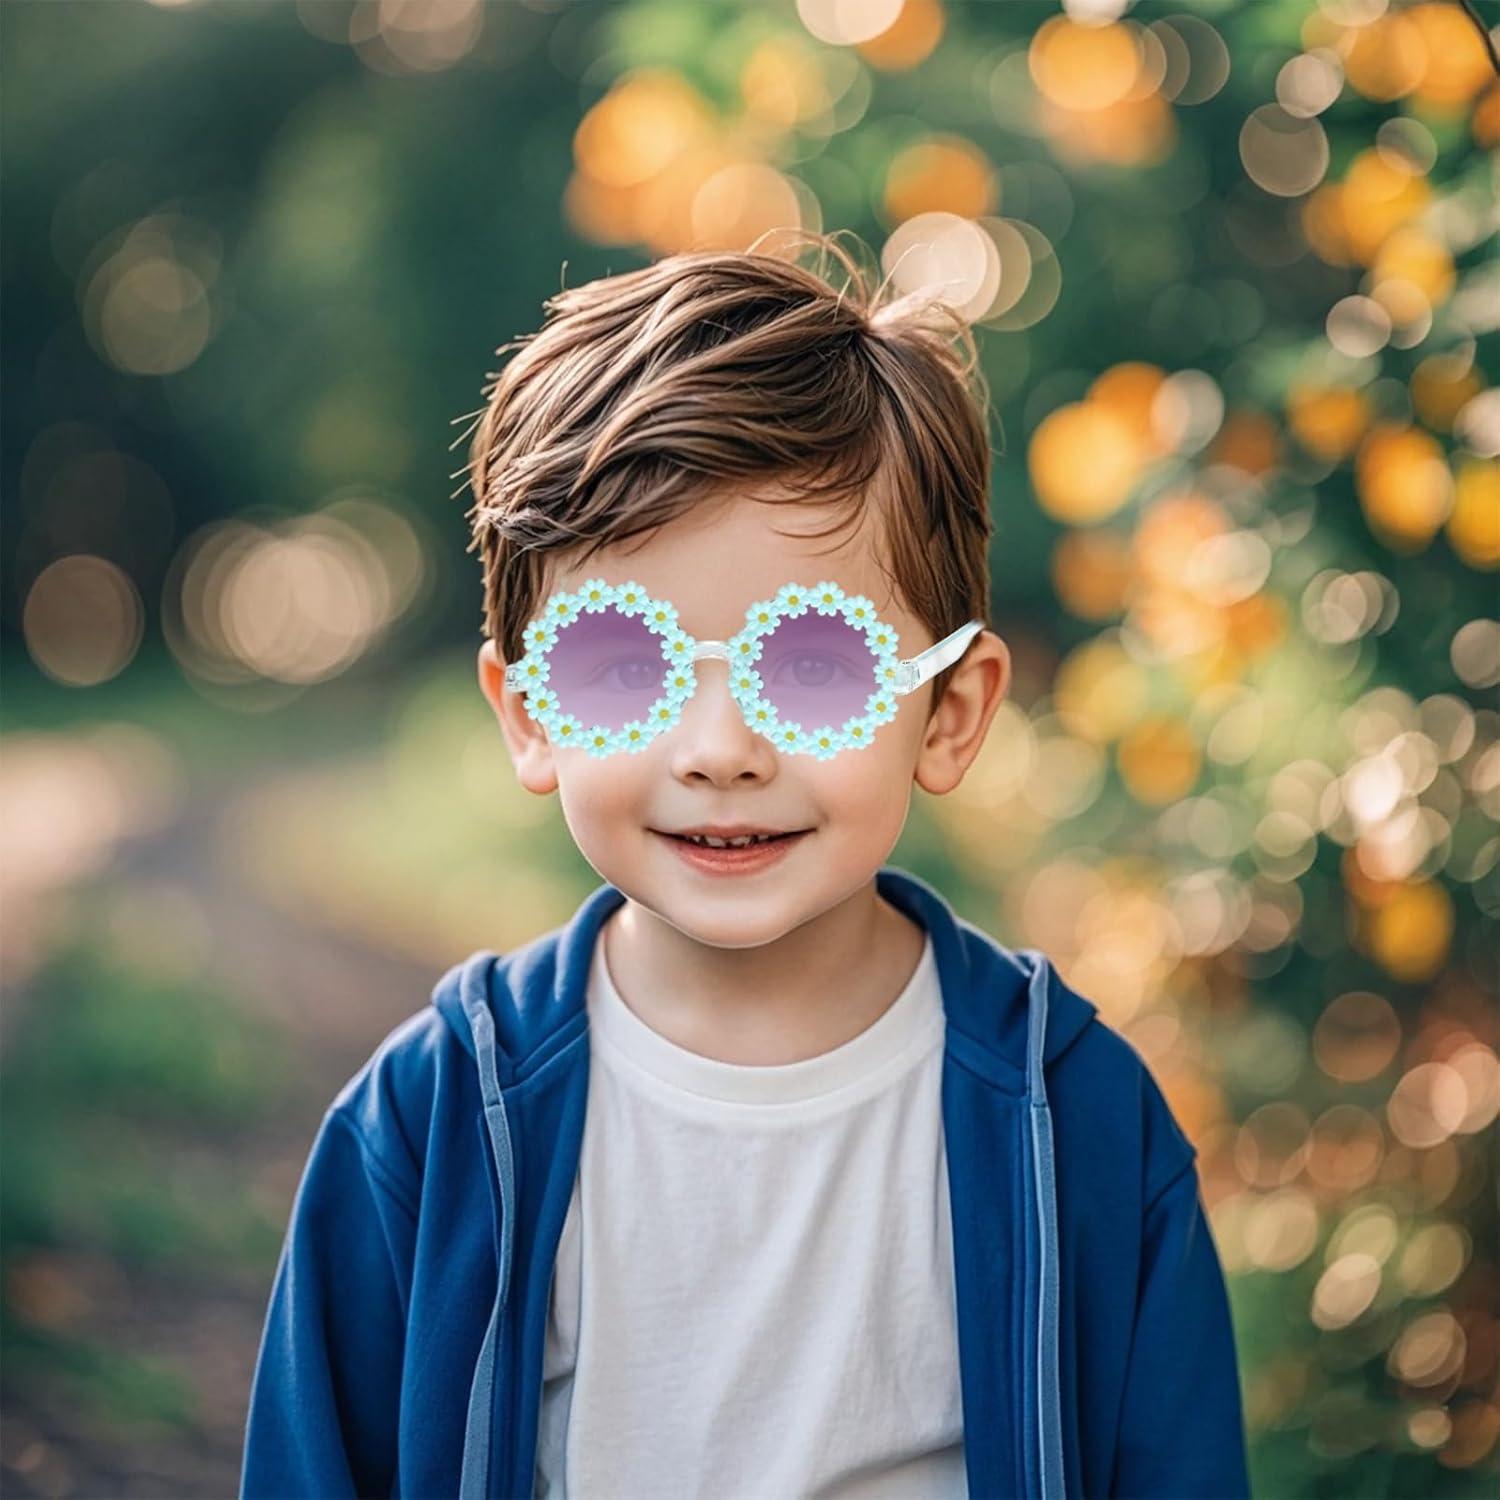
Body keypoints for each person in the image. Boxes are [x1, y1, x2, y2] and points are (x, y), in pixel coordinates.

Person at [239, 230, 1250, 1499]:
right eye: (622, 665)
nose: (720, 751)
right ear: (531, 716)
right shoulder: (432, 1121)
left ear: (949, 714)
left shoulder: (1080, 1123)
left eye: (814, 664)